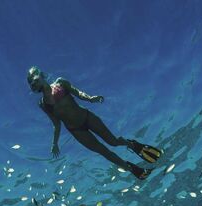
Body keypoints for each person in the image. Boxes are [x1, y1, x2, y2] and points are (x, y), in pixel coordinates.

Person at [27, 66, 162, 179]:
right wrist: (54, 143)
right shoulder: (43, 104)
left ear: (41, 75)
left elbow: (78, 93)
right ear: (33, 86)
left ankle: (131, 144)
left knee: (113, 141)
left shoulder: (60, 83)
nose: (34, 80)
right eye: (32, 81)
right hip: (76, 131)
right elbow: (56, 124)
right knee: (103, 151)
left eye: (35, 75)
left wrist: (90, 98)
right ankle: (130, 168)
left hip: (87, 117)